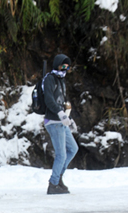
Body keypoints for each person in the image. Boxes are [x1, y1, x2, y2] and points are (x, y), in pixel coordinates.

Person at [43, 54, 79, 195]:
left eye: (67, 67)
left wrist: (69, 118)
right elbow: (49, 100)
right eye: (62, 66)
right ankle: (53, 184)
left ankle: (59, 178)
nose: (65, 69)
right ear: (57, 64)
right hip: (53, 121)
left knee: (73, 148)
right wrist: (60, 113)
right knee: (61, 155)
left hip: (62, 121)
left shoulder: (61, 80)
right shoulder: (50, 79)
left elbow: (62, 102)